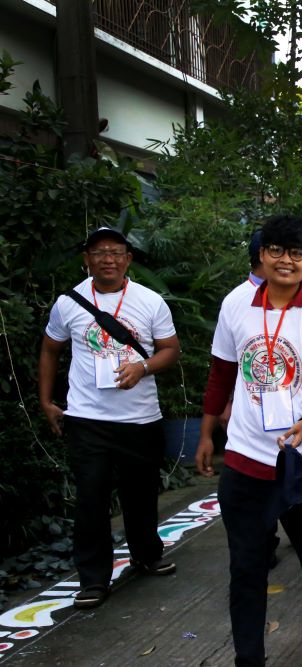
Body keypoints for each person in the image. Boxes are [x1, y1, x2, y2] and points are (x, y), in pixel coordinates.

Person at [197, 215, 302, 667]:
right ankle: (249, 656)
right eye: (277, 251)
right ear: (262, 255)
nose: (286, 261)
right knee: (246, 563)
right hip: (245, 456)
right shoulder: (236, 304)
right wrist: (207, 433)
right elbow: (222, 372)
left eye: (297, 253)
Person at [38, 227, 181, 609]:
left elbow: (170, 349)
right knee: (90, 498)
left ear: (128, 259)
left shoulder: (150, 301)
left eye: (116, 252)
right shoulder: (69, 302)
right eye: (99, 252)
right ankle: (93, 579)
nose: (108, 259)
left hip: (140, 418)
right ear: (87, 258)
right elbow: (50, 349)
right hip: (87, 418)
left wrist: (144, 367)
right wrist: (47, 400)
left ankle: (147, 555)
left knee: (141, 494)